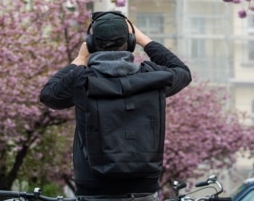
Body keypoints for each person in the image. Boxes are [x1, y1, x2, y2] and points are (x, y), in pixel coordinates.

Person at [40, 11, 192, 201]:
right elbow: (183, 72)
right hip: (143, 187)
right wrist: (144, 40)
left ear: (91, 43)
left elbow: (49, 95)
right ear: (129, 41)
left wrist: (79, 60)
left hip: (94, 188)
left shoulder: (82, 82)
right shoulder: (154, 78)